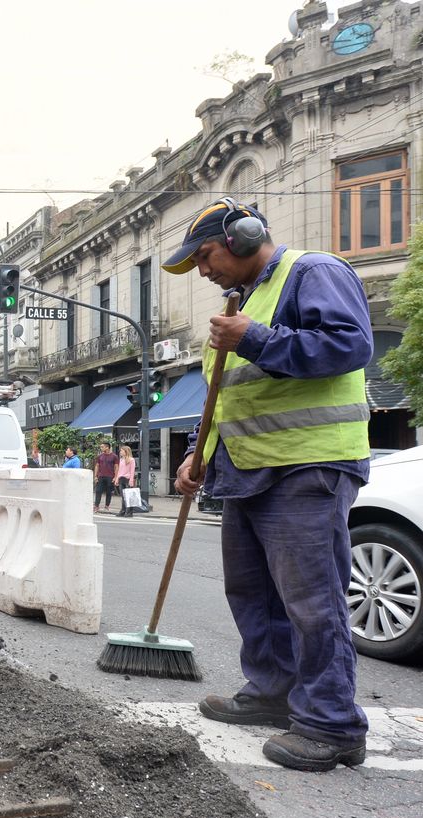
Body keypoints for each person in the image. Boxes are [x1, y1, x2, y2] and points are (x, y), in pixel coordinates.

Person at [165, 197, 372, 772]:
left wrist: (253, 338)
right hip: (247, 470)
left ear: (243, 236)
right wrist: (197, 454)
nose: (203, 271)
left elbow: (350, 345)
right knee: (252, 593)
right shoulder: (240, 305)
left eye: (206, 256)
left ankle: (332, 724)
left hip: (306, 466)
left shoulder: (313, 272)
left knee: (312, 601)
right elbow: (226, 396)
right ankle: (272, 692)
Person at [92, 441, 117, 513]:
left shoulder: (114, 456)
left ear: (107, 447)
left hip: (110, 476)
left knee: (109, 492)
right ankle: (96, 506)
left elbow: (116, 467)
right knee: (98, 491)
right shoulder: (100, 456)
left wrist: (115, 477)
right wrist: (95, 476)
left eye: (102, 447)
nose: (101, 448)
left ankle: (107, 506)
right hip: (101, 476)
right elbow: (97, 466)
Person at [114, 444, 137, 517]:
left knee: (129, 496)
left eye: (121, 451)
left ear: (126, 451)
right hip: (121, 479)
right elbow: (119, 470)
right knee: (123, 496)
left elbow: (132, 471)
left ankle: (129, 512)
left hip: (128, 479)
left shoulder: (131, 460)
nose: (120, 452)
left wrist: (131, 480)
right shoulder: (121, 460)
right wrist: (117, 479)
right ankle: (123, 510)